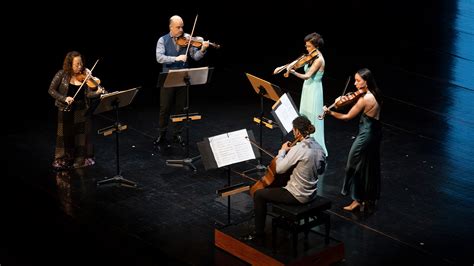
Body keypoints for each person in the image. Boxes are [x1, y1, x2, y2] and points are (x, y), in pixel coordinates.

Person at [250, 116, 326, 239]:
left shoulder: (299, 149)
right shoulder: (319, 148)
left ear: (296, 131)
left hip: (297, 195)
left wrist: (282, 151)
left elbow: (279, 169)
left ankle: (258, 233)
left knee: (259, 194)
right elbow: (321, 170)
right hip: (311, 194)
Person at [323, 68, 382, 211]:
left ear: (366, 82)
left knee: (352, 165)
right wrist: (341, 102)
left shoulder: (365, 99)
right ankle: (363, 199)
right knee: (366, 166)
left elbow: (347, 117)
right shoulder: (375, 93)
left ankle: (357, 199)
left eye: (358, 81)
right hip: (375, 133)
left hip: (366, 135)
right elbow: (352, 101)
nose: (355, 84)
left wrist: (330, 111)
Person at [154, 15, 209, 148]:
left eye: (182, 26)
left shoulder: (188, 38)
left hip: (183, 78)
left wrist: (202, 49)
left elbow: (195, 57)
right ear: (171, 27)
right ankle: (162, 133)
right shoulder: (162, 40)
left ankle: (177, 133)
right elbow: (159, 58)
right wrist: (176, 58)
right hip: (168, 78)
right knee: (165, 107)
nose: (181, 29)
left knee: (180, 108)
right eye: (178, 27)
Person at [48, 51, 105, 170]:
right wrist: (64, 98)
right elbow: (51, 90)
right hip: (65, 109)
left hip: (81, 109)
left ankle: (79, 159)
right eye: (76, 64)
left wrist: (98, 92)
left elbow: (89, 94)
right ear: (69, 65)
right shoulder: (61, 74)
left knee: (80, 136)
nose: (80, 67)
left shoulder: (85, 75)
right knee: (65, 136)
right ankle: (64, 159)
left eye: (81, 63)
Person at [276, 32, 328, 156]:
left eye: (309, 46)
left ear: (316, 46)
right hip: (307, 89)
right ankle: (304, 143)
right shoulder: (310, 55)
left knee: (313, 117)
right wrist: (285, 66)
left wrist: (292, 72)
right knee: (304, 115)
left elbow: (307, 76)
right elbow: (299, 62)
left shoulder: (319, 59)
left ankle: (316, 148)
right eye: (306, 46)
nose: (307, 48)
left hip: (314, 90)